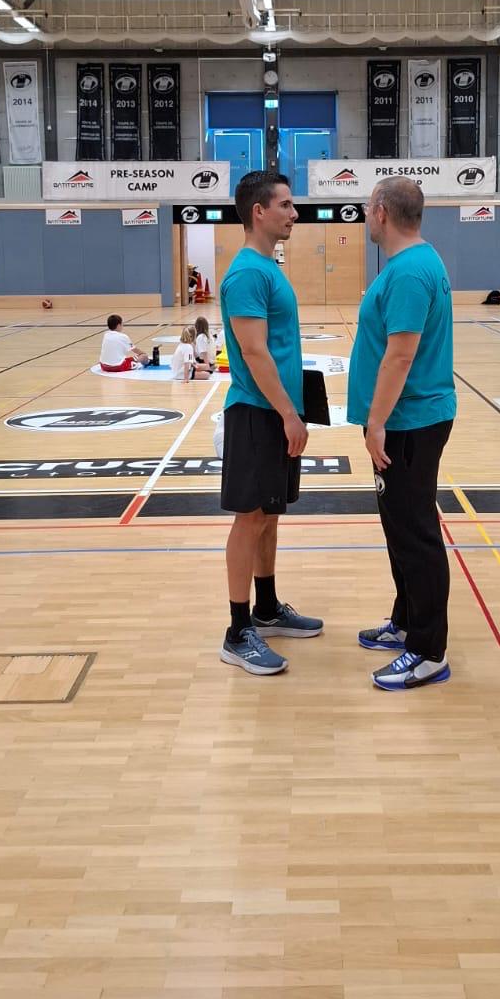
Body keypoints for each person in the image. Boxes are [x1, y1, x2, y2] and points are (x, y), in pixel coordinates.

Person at [351, 177, 456, 691]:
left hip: (408, 422)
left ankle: (428, 651)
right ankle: (407, 621)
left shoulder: (411, 271)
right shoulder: (410, 264)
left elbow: (400, 355)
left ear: (381, 212)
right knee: (401, 529)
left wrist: (376, 423)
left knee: (416, 534)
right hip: (405, 420)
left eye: (367, 208)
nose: (365, 216)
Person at [218, 169, 322, 677]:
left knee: (270, 515)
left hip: (276, 412)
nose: (294, 214)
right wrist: (287, 413)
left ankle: (266, 607)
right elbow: (254, 352)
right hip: (257, 413)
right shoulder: (246, 274)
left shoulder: (267, 268)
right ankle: (238, 631)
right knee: (251, 518)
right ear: (259, 212)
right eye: (285, 205)